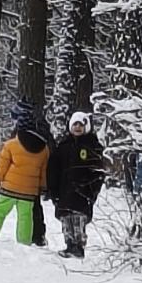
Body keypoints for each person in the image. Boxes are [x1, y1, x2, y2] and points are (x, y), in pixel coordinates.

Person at [0, 114, 49, 245]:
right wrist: (43, 187)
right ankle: (24, 241)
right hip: (29, 191)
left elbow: (1, 167)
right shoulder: (44, 149)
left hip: (9, 188)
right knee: (26, 218)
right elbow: (43, 171)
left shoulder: (10, 145)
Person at [47, 111, 105, 258]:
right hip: (64, 191)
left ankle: (78, 246)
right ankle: (69, 244)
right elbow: (53, 170)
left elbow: (98, 172)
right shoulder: (63, 146)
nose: (77, 127)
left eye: (81, 125)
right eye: (75, 124)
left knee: (79, 220)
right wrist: (53, 191)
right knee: (66, 219)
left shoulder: (92, 146)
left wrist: (92, 191)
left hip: (83, 193)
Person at [10, 97, 56, 246]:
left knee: (30, 206)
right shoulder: (40, 127)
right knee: (33, 205)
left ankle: (35, 235)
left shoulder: (26, 129)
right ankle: (37, 235)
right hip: (35, 174)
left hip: (29, 175)